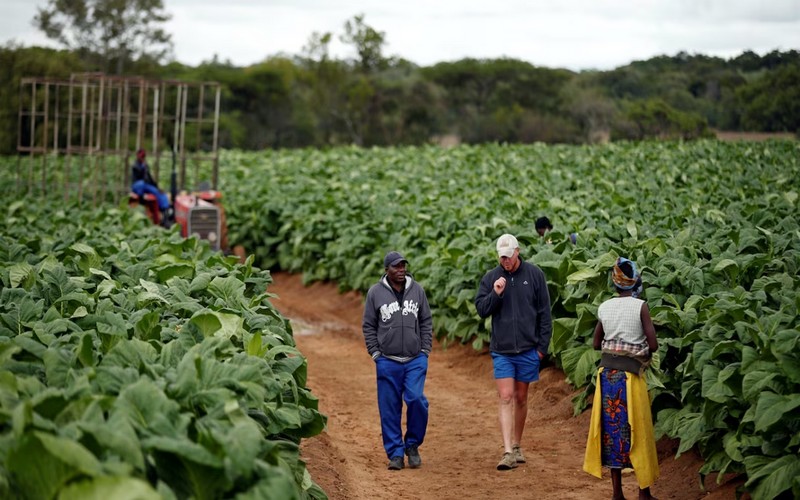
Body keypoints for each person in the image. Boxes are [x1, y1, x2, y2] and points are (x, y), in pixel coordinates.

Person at [474, 234, 552, 470]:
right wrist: (496, 293)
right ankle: (507, 451)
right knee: (506, 396)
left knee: (520, 398)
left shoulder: (535, 275)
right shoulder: (491, 278)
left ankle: (517, 444)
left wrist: (541, 349)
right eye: (501, 257)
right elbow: (481, 310)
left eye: (508, 256)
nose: (505, 261)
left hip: (529, 349)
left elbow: (544, 314)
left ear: (517, 252)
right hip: (502, 350)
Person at [583, 257, 659, 500]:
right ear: (634, 281)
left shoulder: (604, 307)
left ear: (614, 283)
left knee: (612, 434)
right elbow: (654, 345)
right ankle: (643, 493)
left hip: (608, 379)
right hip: (631, 378)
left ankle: (617, 494)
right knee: (638, 431)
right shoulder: (641, 307)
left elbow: (596, 343)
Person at [362, 251, 433, 471]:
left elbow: (426, 320)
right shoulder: (375, 293)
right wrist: (376, 354)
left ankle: (412, 445)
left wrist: (424, 350)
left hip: (414, 359)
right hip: (388, 361)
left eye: (403, 266)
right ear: (387, 270)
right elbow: (368, 325)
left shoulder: (417, 290)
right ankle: (395, 453)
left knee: (416, 400)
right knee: (389, 408)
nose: (401, 270)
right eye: (396, 266)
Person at [131, 148, 170, 223]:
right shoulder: (135, 165)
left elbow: (150, 178)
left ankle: (164, 212)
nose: (142, 158)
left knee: (158, 193)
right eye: (141, 157)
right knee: (141, 184)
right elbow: (139, 174)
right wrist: (143, 168)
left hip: (146, 185)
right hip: (137, 185)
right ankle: (141, 197)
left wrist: (157, 187)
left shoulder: (145, 165)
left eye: (143, 157)